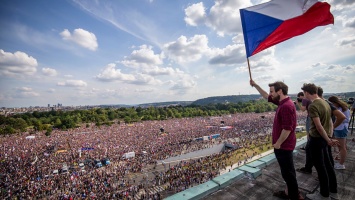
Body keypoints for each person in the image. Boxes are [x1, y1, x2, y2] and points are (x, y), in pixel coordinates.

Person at [250, 80, 301, 200]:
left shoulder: (286, 106)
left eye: (272, 91)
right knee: (287, 172)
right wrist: (256, 85)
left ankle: (294, 196)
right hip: (284, 145)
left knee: (288, 173)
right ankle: (289, 192)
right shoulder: (282, 102)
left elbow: (287, 129)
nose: (270, 94)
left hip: (283, 146)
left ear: (280, 91)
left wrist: (278, 143)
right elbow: (265, 96)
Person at [301, 83, 339, 200]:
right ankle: (333, 190)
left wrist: (328, 139)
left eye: (304, 93)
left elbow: (318, 126)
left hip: (317, 140)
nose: (304, 95)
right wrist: (329, 137)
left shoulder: (313, 106)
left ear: (307, 92)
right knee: (328, 166)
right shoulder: (325, 102)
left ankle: (324, 195)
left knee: (320, 168)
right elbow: (331, 122)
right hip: (325, 138)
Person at [328, 96, 350, 170]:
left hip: (341, 128)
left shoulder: (343, 109)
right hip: (340, 128)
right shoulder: (342, 108)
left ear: (334, 103)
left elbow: (345, 119)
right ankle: (340, 159)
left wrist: (334, 124)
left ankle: (341, 164)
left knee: (342, 147)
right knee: (341, 146)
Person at [295, 92, 312, 174]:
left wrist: (298, 103)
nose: (300, 99)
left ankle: (309, 145)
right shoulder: (311, 99)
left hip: (310, 117)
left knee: (309, 134)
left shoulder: (305, 99)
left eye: (299, 98)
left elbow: (303, 109)